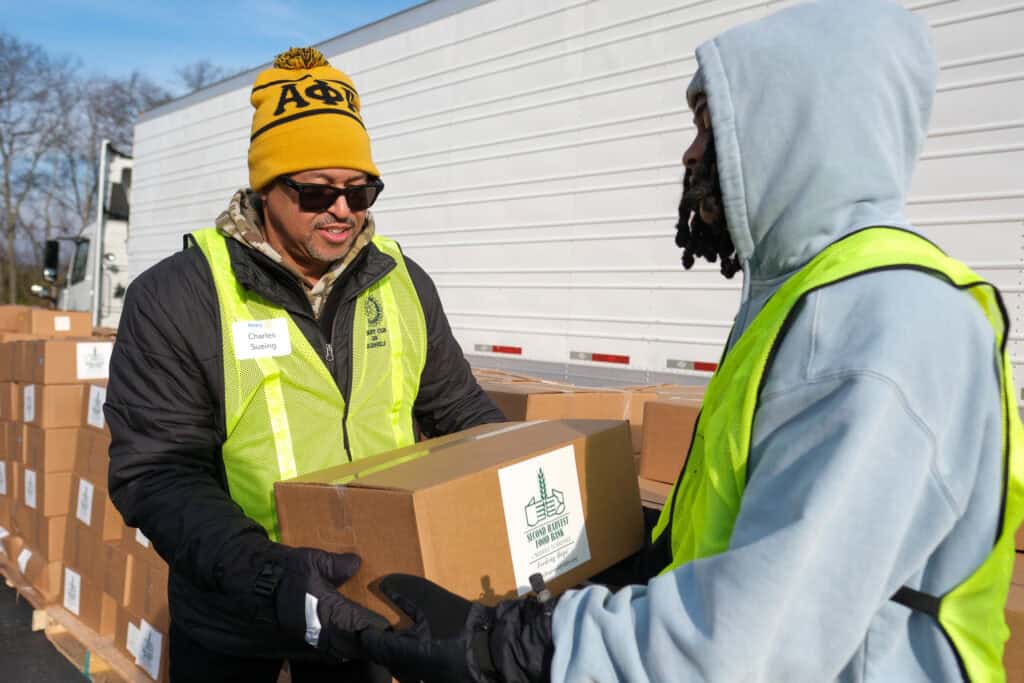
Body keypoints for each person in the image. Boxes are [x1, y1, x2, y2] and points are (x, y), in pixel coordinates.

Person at [356, 1, 1024, 680]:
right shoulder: (810, 299)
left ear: (797, 128)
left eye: (711, 126)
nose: (691, 151)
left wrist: (511, 645)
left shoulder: (886, 322)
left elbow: (750, 638)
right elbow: (731, 533)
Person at [105, 47, 504, 683]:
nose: (343, 210)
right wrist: (271, 578)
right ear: (265, 187)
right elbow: (156, 473)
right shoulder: (179, 296)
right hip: (235, 617)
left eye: (361, 190)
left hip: (368, 606)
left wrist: (522, 497)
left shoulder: (403, 282)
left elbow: (459, 411)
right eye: (317, 191)